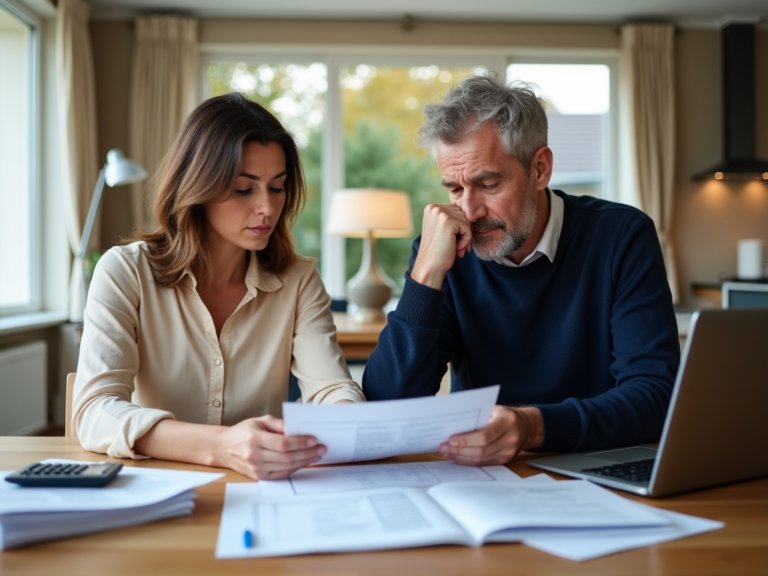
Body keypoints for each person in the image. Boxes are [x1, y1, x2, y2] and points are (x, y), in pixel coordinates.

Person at [362, 73, 680, 466]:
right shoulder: (441, 254)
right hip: (481, 479)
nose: (470, 212)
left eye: (489, 184)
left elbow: (655, 396)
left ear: (540, 169)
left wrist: (534, 426)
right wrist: (425, 274)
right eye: (455, 189)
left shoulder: (622, 236)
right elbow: (384, 408)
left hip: (599, 468)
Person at [74, 93, 365, 480]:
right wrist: (220, 447)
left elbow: (330, 388)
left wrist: (346, 413)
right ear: (198, 186)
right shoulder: (126, 271)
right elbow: (95, 412)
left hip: (266, 488)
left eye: (277, 187)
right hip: (155, 487)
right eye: (244, 189)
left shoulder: (299, 279)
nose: (267, 207)